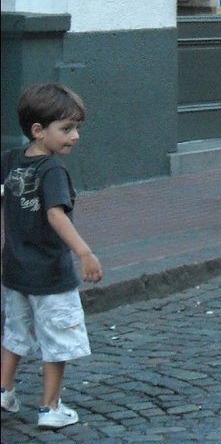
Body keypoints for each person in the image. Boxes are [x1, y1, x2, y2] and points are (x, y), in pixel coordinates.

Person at [1, 84, 102, 430]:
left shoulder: (13, 161)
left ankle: (3, 390)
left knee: (15, 332)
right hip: (50, 274)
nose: (75, 136)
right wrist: (84, 252)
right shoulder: (53, 171)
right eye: (67, 129)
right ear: (38, 131)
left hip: (15, 270)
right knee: (57, 341)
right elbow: (56, 215)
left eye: (76, 128)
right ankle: (50, 407)